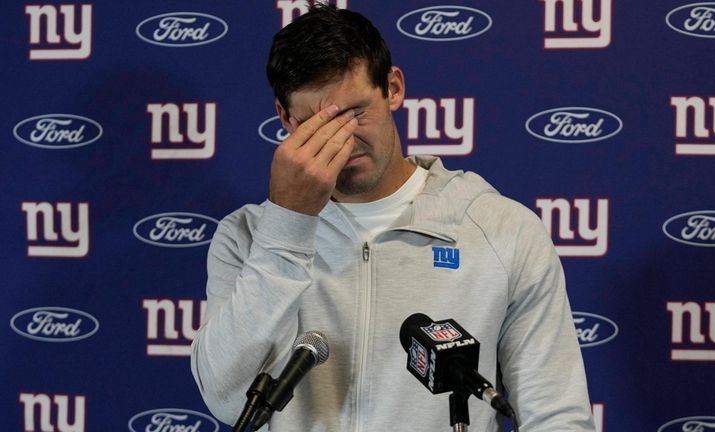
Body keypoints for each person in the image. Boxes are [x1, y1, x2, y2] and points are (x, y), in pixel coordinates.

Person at [191, 4, 595, 431]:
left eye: (354, 113)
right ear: (285, 119)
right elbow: (228, 401)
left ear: (393, 88)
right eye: (314, 125)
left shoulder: (502, 229)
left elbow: (556, 414)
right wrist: (287, 225)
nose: (342, 141)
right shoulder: (248, 237)